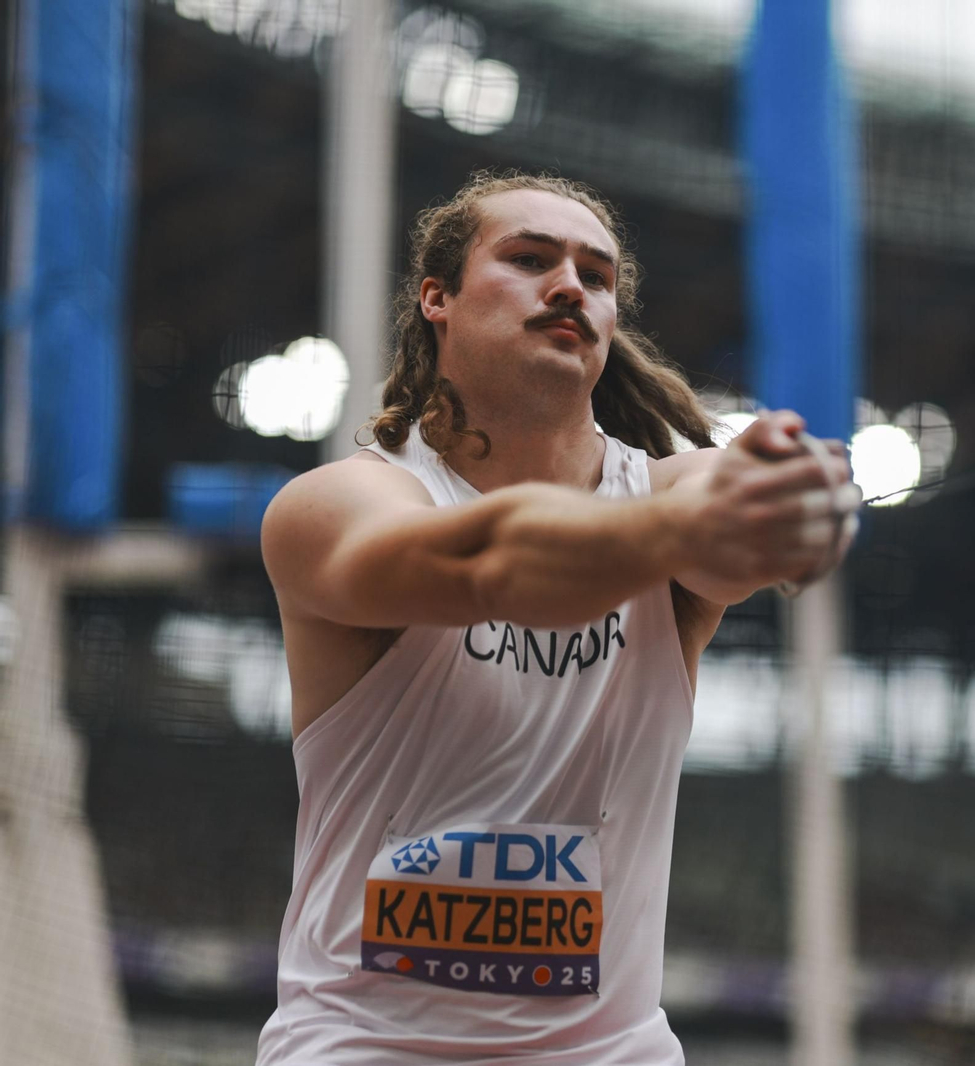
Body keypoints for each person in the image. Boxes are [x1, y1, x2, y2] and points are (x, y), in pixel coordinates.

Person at [255, 171, 858, 1065]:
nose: (571, 285)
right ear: (438, 298)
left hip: (611, 1051)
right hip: (364, 1046)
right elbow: (495, 567)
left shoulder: (673, 493)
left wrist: (782, 502)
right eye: (530, 259)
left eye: (596, 275)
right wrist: (689, 525)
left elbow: (728, 535)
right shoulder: (333, 506)